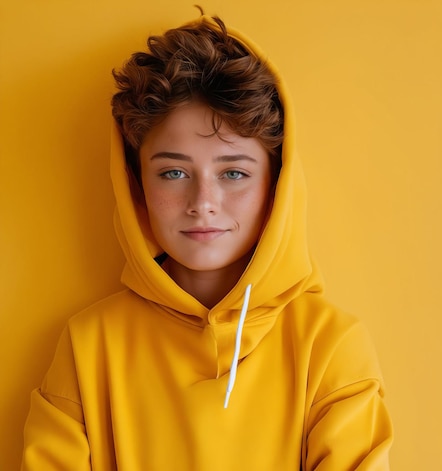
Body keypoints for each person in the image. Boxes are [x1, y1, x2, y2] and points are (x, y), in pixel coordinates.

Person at [21, 13, 393, 470]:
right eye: (173, 172)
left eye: (233, 173)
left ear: (276, 187)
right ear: (136, 185)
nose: (204, 202)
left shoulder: (330, 345)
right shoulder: (88, 345)